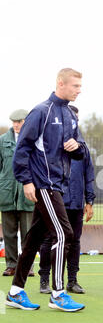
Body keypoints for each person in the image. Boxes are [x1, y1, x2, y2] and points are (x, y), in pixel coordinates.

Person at [5, 68, 86, 312]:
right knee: (64, 234)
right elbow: (23, 149)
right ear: (60, 83)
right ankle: (58, 294)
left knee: (34, 239)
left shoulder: (71, 115)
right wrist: (26, 180)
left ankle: (15, 292)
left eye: (80, 87)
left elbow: (81, 151)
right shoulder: (41, 111)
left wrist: (77, 146)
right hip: (43, 184)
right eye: (75, 86)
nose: (79, 90)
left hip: (58, 185)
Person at [39, 105, 95, 294]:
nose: (73, 123)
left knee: (75, 241)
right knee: (50, 239)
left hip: (77, 202)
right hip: (57, 199)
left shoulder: (83, 147)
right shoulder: (51, 144)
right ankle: (45, 279)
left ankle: (72, 280)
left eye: (75, 120)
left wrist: (90, 201)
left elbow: (89, 175)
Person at [0, 109, 35, 277]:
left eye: (19, 121)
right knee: (8, 233)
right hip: (7, 193)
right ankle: (11, 265)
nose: (15, 124)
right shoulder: (2, 141)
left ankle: (27, 266)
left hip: (27, 193)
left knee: (28, 233)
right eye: (13, 121)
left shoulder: (33, 141)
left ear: (26, 121)